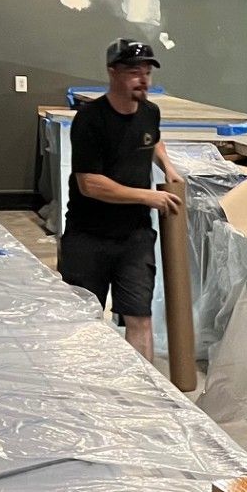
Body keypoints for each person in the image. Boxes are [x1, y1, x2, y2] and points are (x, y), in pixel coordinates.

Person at [59, 37, 182, 363]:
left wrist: (167, 167)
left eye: (147, 71)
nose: (143, 79)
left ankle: (143, 398)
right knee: (84, 318)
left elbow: (153, 141)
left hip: (135, 237)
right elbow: (90, 184)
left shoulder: (149, 112)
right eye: (133, 71)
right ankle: (81, 389)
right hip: (88, 237)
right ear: (112, 72)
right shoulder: (90, 120)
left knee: (139, 317)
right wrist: (147, 196)